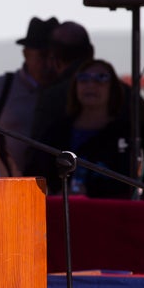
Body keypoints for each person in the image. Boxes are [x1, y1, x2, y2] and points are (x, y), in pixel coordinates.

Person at [31, 59, 131, 197]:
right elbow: (35, 171)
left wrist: (90, 193)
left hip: (107, 213)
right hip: (57, 211)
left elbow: (127, 185)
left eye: (101, 78)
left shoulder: (125, 133)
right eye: (83, 78)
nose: (91, 84)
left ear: (113, 88)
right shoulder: (57, 130)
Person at [0, 16, 59, 176]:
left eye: (54, 57)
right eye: (42, 55)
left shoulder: (69, 93)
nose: (49, 63)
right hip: (9, 188)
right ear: (26, 54)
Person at [26, 21, 95, 174]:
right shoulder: (125, 93)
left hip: (62, 187)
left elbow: (36, 154)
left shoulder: (52, 97)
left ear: (54, 58)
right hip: (116, 191)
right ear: (91, 51)